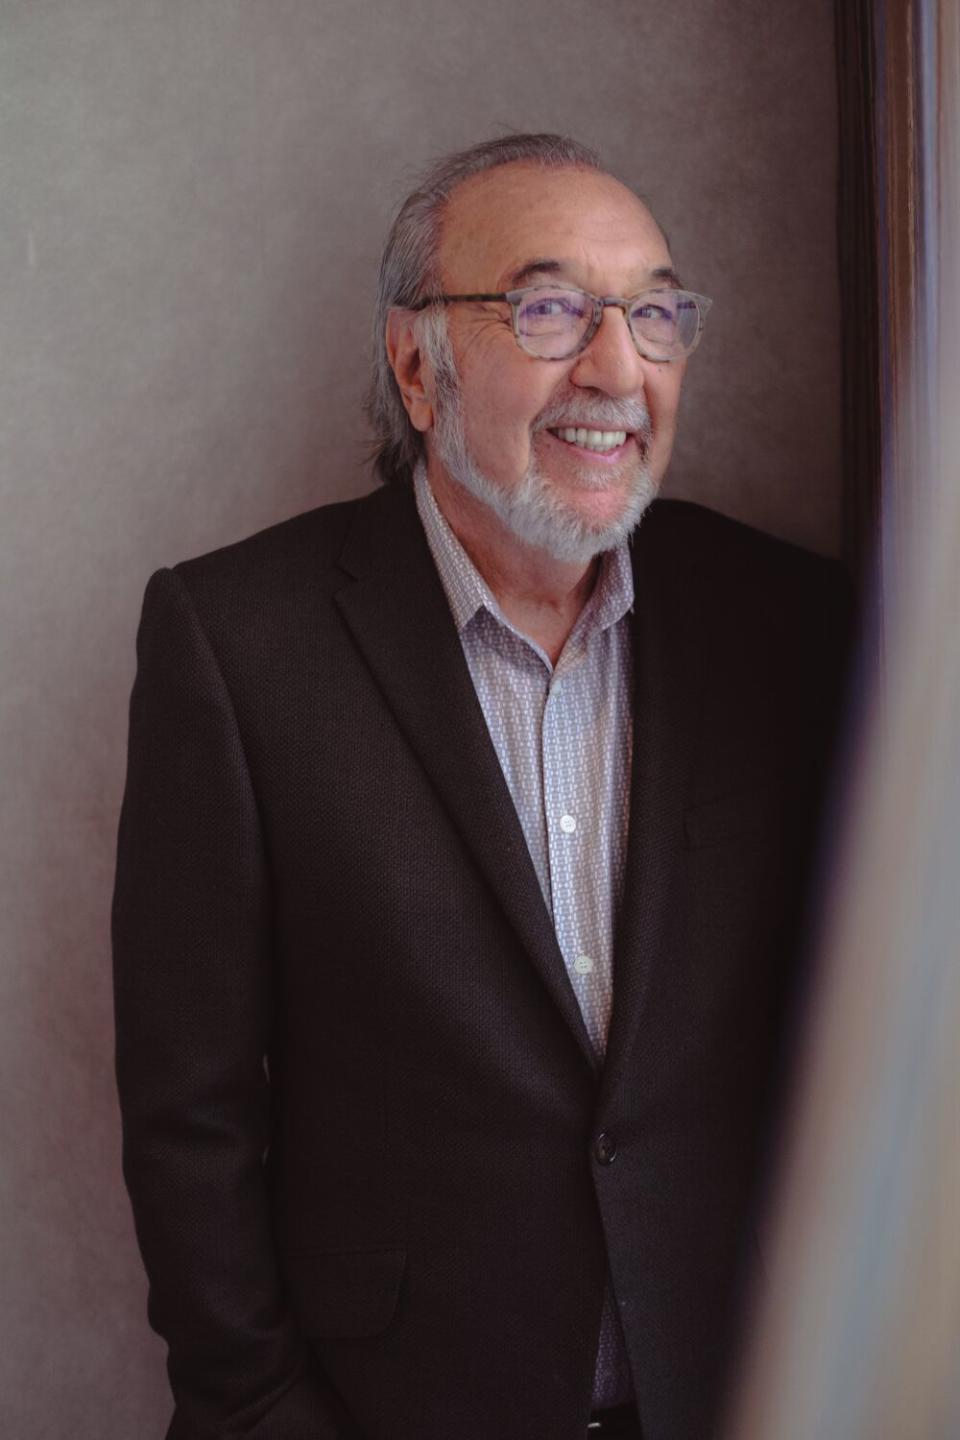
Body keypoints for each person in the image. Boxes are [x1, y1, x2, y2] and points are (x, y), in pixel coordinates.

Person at [112, 133, 852, 1440]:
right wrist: (262, 1409)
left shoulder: (789, 624)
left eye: (656, 314)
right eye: (553, 307)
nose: (618, 372)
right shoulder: (238, 639)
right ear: (415, 363)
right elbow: (192, 1114)